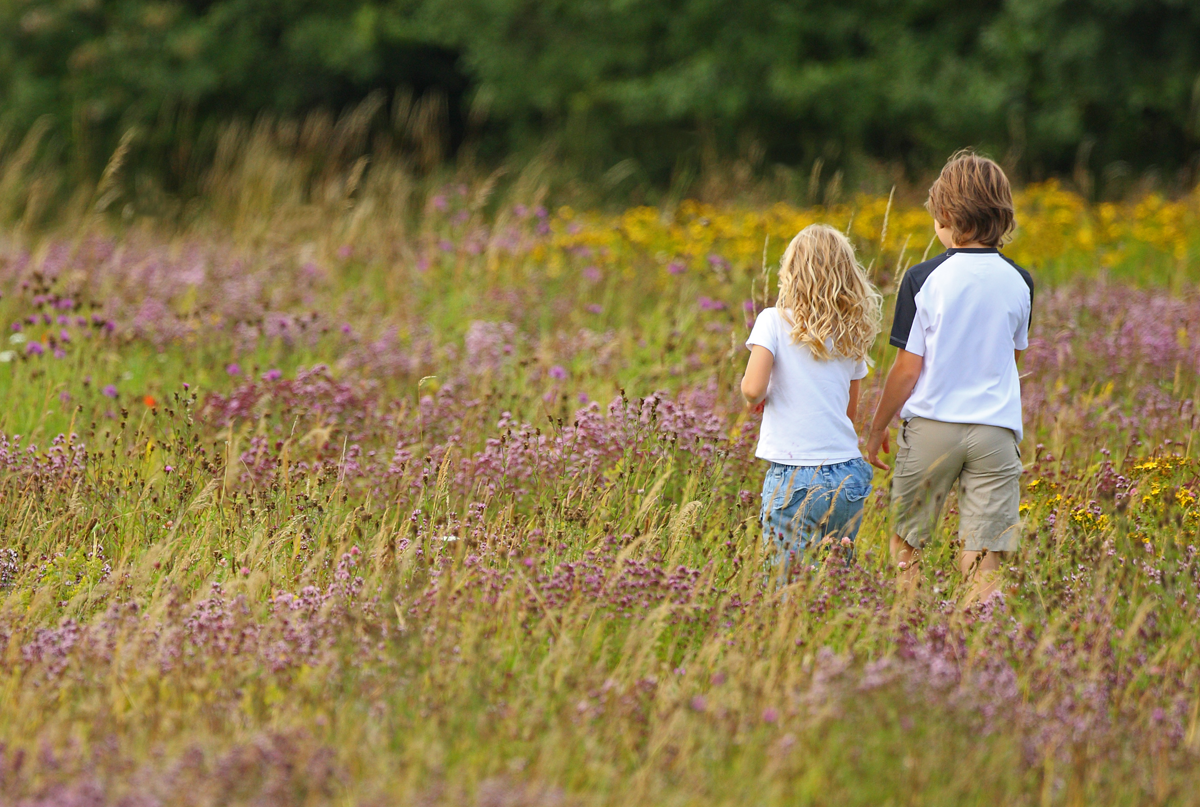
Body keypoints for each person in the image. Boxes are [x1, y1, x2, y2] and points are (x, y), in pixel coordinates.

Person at [864, 150, 1033, 604]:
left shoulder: (923, 278)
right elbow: (1011, 360)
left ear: (945, 215)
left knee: (907, 541)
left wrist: (878, 426)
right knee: (984, 551)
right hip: (996, 432)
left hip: (932, 427)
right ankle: (983, 639)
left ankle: (910, 628)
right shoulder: (1020, 281)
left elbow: (906, 370)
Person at [741, 224, 883, 582]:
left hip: (794, 476)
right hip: (847, 473)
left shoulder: (772, 321)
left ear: (790, 272)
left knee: (784, 584)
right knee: (834, 581)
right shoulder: (852, 330)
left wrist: (758, 396)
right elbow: (848, 414)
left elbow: (753, 388)